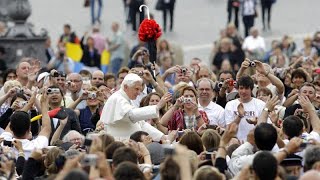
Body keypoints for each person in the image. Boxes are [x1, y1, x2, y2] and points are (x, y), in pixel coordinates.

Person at [98, 73, 168, 141]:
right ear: (126, 87)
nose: (139, 93)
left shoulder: (127, 99)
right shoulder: (118, 98)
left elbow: (141, 124)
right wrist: (157, 107)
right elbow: (132, 115)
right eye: (136, 89)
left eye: (140, 89)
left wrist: (161, 137)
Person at [224, 76, 265, 141]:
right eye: (241, 88)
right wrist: (239, 116)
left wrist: (256, 123)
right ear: (238, 89)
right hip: (236, 143)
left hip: (255, 142)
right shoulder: (230, 105)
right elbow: (229, 129)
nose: (243, 91)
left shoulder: (260, 104)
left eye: (246, 88)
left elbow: (265, 128)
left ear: (251, 89)